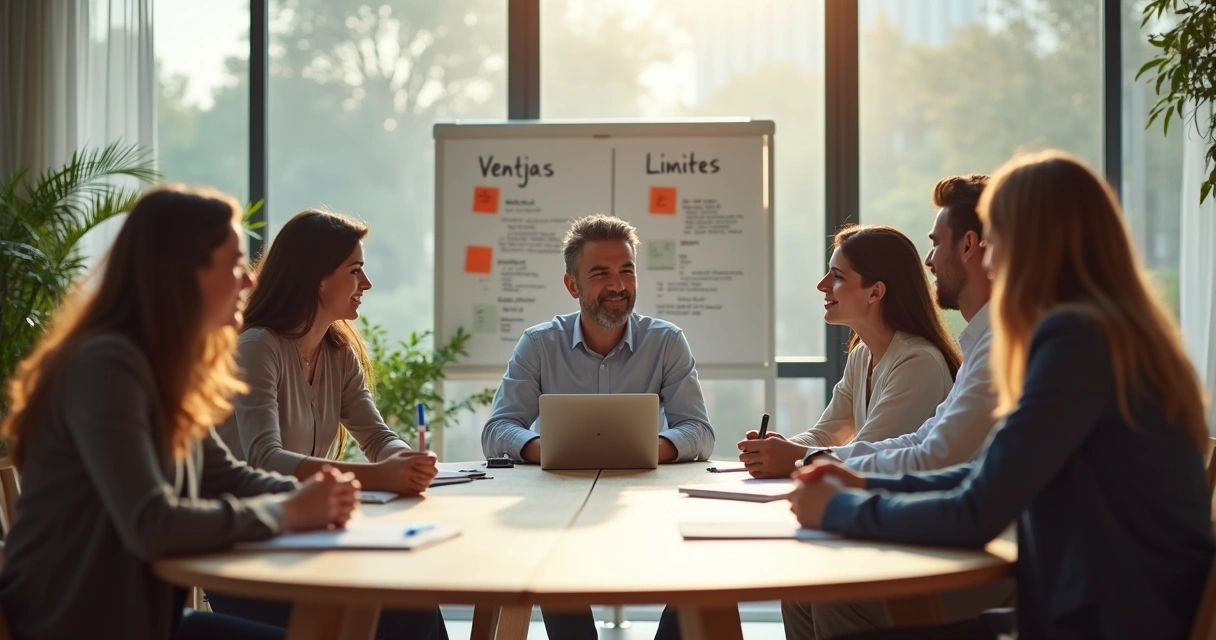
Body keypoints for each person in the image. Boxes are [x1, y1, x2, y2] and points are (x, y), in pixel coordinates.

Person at [790, 151, 1214, 640]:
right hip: (1105, 610)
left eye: (993, 240)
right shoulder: (1113, 334)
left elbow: (977, 510)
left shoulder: (1075, 341)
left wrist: (838, 509)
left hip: (1093, 622)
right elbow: (986, 474)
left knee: (839, 616)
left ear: (1029, 245)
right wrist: (859, 486)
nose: (987, 259)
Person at [0, 185, 361, 640]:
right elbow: (151, 523)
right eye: (232, 263)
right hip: (79, 625)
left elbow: (225, 476)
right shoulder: (106, 365)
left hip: (148, 620)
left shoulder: (164, 368)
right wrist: (289, 511)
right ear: (182, 273)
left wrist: (319, 498)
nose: (248, 280)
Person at [780, 176, 1011, 639]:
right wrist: (824, 463)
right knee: (803, 587)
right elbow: (927, 446)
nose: (929, 261)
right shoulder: (983, 345)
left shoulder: (987, 351)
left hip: (996, 570)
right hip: (985, 546)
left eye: (935, 244)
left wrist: (829, 477)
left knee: (831, 589)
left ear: (971, 245)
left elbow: (939, 463)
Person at [212, 209, 447, 639]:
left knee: (416, 605)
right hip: (250, 552)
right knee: (404, 614)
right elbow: (265, 458)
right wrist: (378, 475)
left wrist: (405, 461)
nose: (367, 284)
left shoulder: (338, 352)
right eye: (355, 271)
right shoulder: (257, 347)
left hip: (305, 539)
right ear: (317, 279)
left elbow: (376, 436)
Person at [481, 213, 714, 640]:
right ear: (572, 285)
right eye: (601, 273)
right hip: (560, 511)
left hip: (647, 509)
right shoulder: (539, 344)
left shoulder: (666, 341)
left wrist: (646, 446)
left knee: (705, 567)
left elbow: (699, 431)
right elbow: (498, 429)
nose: (618, 285)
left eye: (627, 270)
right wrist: (542, 448)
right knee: (545, 559)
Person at [739, 225, 960, 479]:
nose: (822, 285)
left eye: (838, 276)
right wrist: (780, 449)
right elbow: (827, 433)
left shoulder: (919, 363)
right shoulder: (861, 354)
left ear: (875, 292)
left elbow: (865, 458)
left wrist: (793, 456)